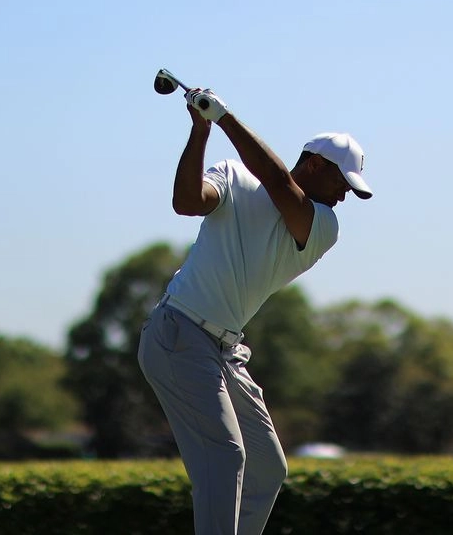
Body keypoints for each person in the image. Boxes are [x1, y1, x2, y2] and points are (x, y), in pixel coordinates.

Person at [137, 86, 372, 535]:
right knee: (226, 458)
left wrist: (226, 117)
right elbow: (187, 202)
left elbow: (281, 183)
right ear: (315, 164)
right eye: (342, 182)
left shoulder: (323, 225)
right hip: (177, 335)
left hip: (223, 351)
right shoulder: (234, 177)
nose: (343, 197)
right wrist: (201, 131)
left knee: (267, 468)